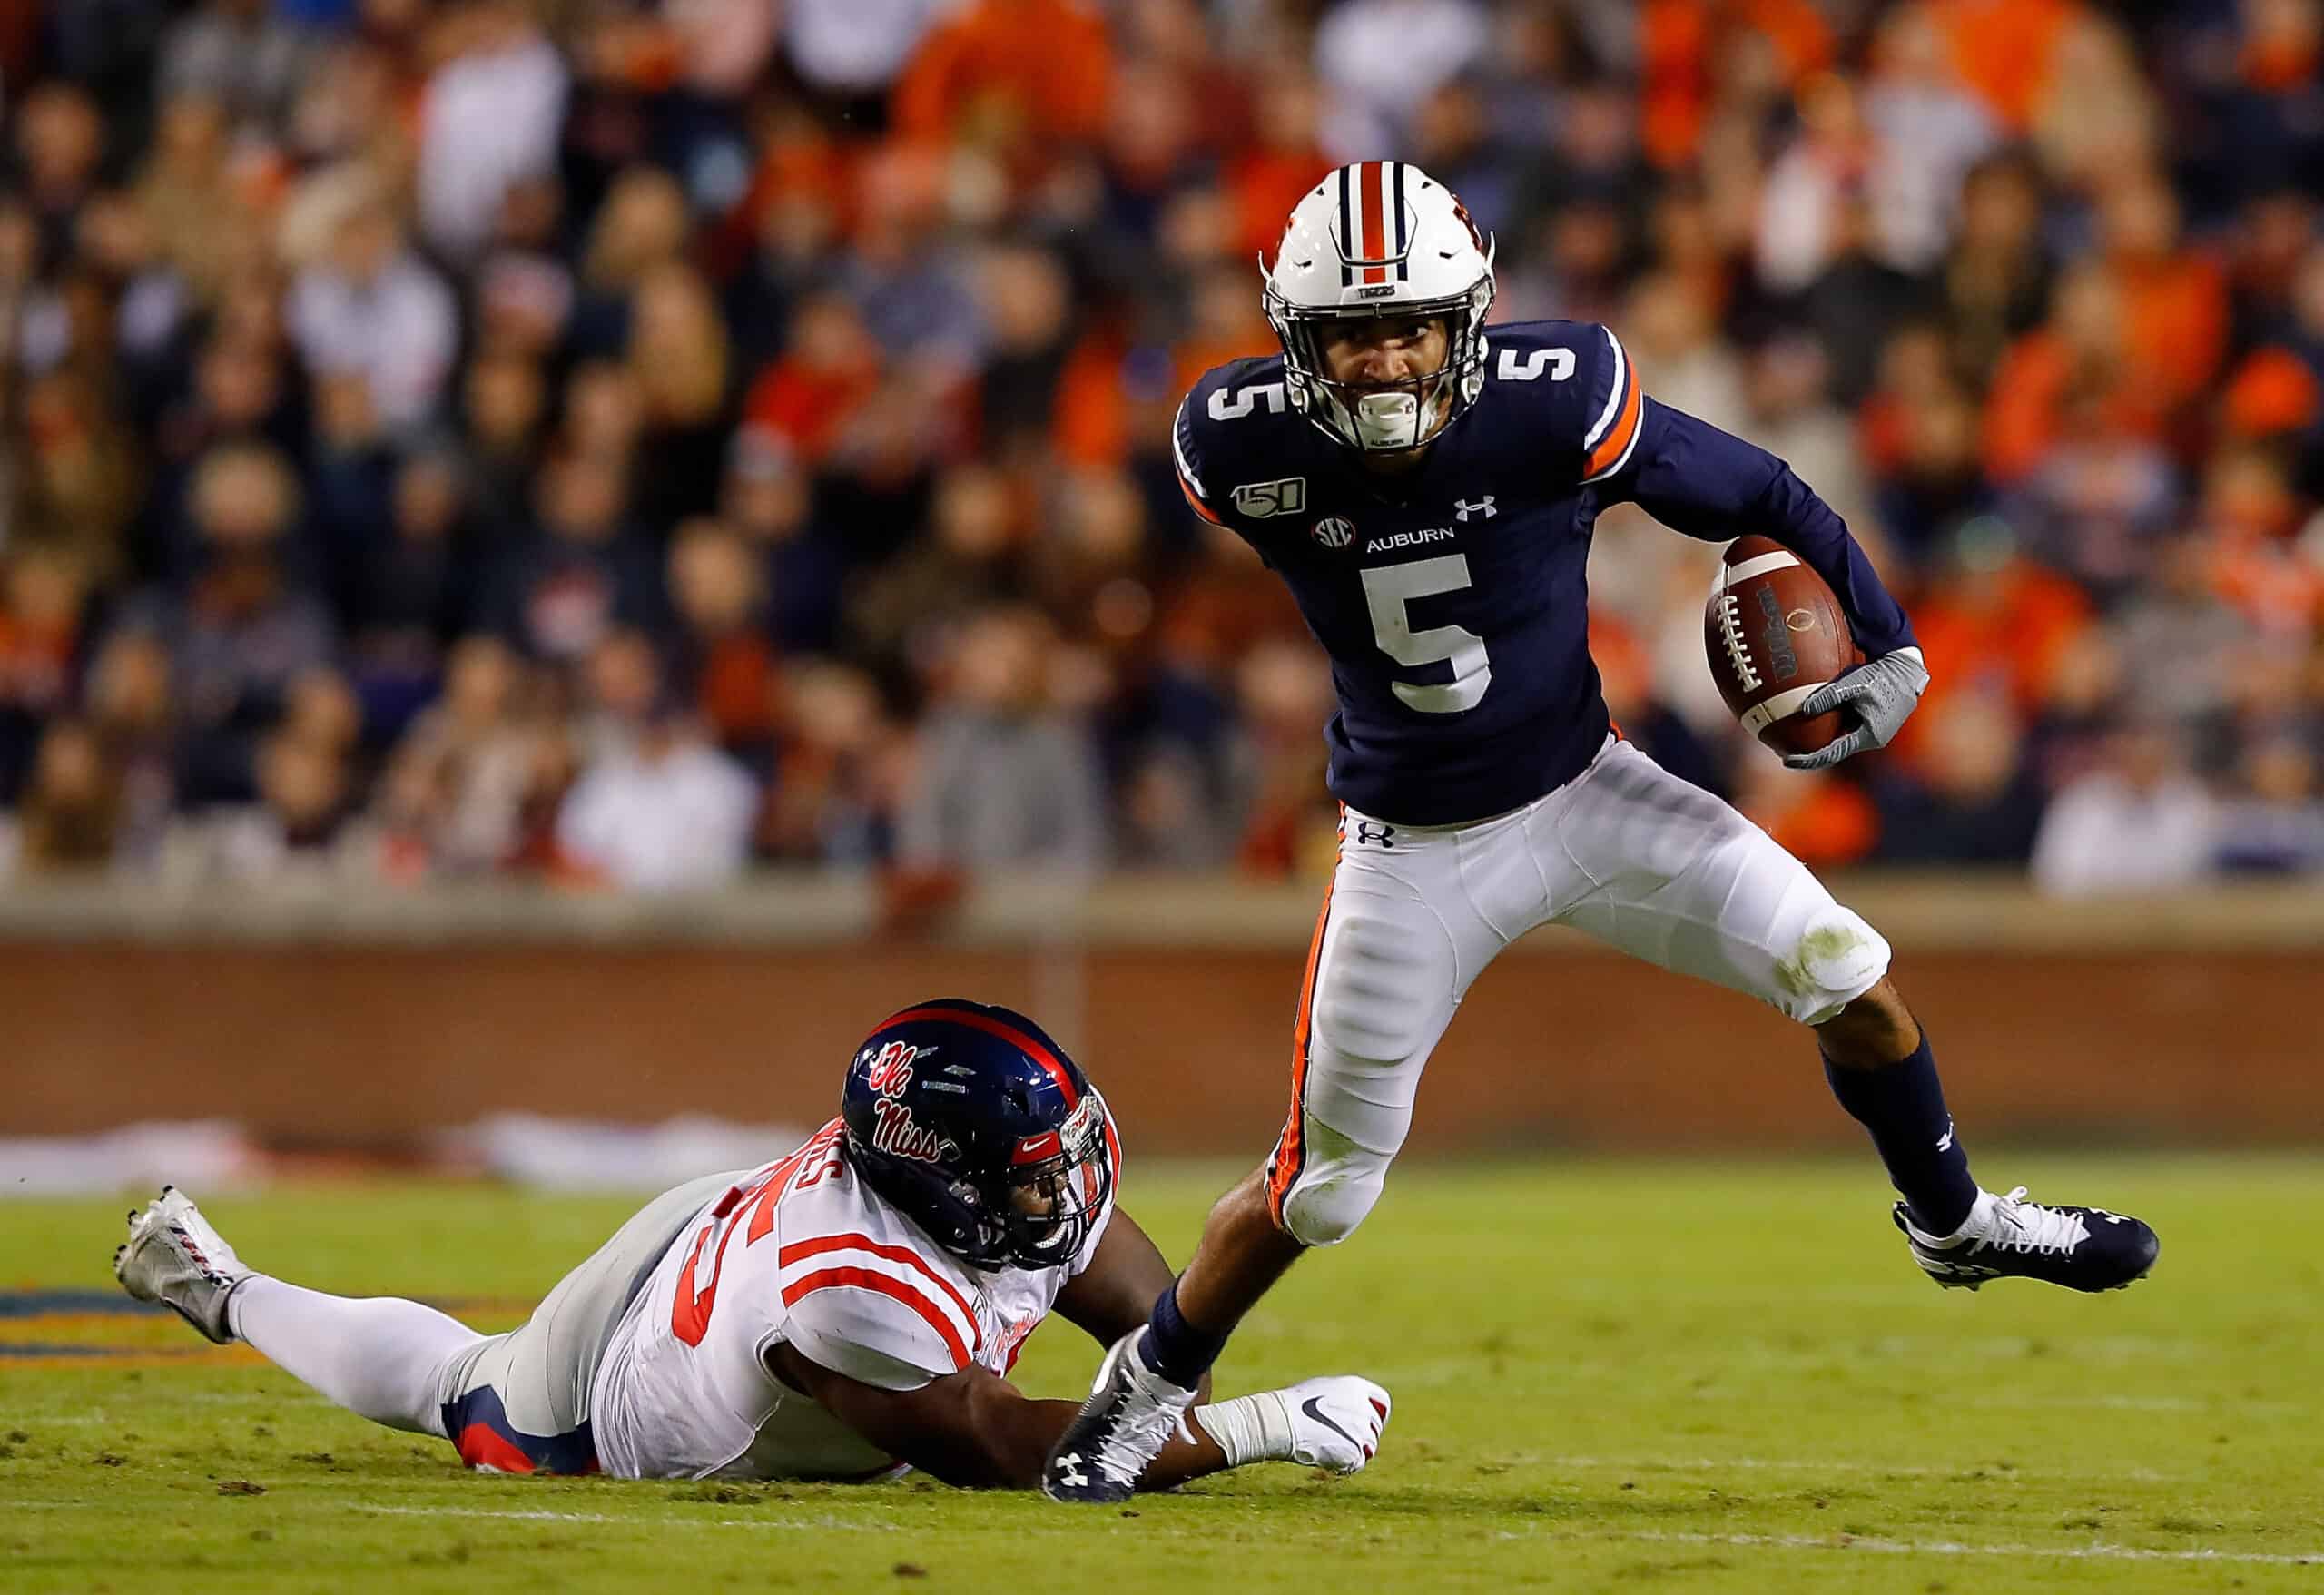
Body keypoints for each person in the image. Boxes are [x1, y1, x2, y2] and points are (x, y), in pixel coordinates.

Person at [1040, 162, 2160, 1504]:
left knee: (1846, 968)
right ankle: (1142, 1391)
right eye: (1354, 332)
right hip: (1412, 843)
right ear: (1298, 338)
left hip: (1587, 791)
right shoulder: (1237, 442)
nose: (1388, 359)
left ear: (1472, 321)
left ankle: (1956, 1220)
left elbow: (1764, 491)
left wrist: (1890, 634)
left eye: (1412, 326)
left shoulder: (1551, 396)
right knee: (1320, 1187)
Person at [114, 999, 1389, 1487]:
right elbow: (1016, 1451)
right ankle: (222, 1285)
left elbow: (1152, 1347)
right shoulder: (860, 1289)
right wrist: (1254, 1430)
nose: (1073, 1188)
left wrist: (1175, 1393)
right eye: (1035, 1172)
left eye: (1069, 1153)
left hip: (732, 1233)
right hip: (622, 1394)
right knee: (465, 1391)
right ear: (939, 1176)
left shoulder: (996, 1183)